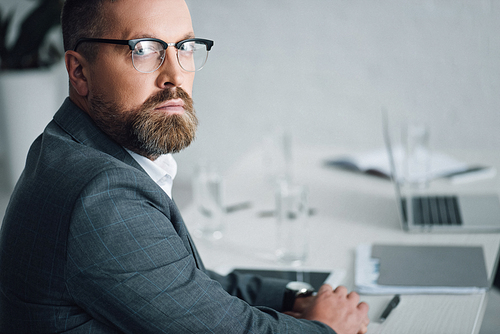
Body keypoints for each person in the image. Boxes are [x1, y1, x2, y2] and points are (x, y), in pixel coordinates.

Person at [0, 0, 369, 333]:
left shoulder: (70, 146)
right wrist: (327, 327)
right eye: (144, 50)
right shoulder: (103, 196)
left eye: (185, 48)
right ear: (79, 72)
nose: (175, 75)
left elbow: (180, 284)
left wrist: (296, 297)